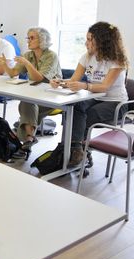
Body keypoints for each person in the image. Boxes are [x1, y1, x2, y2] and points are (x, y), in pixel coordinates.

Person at [50, 22, 129, 166]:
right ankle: (76, 151)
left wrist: (84, 85)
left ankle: (74, 151)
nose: (86, 43)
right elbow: (73, 80)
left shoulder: (117, 60)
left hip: (116, 103)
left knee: (87, 115)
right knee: (72, 108)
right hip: (94, 97)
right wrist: (60, 82)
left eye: (89, 39)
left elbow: (105, 87)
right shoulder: (87, 56)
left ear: (101, 41)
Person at [0, 27, 62, 154]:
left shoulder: (51, 56)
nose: (28, 40)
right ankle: (29, 138)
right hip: (34, 94)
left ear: (42, 40)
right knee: (27, 102)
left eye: (32, 38)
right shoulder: (28, 55)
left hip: (52, 96)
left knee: (26, 107)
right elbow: (13, 73)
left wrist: (27, 64)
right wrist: (4, 64)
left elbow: (40, 78)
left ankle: (24, 132)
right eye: (28, 37)